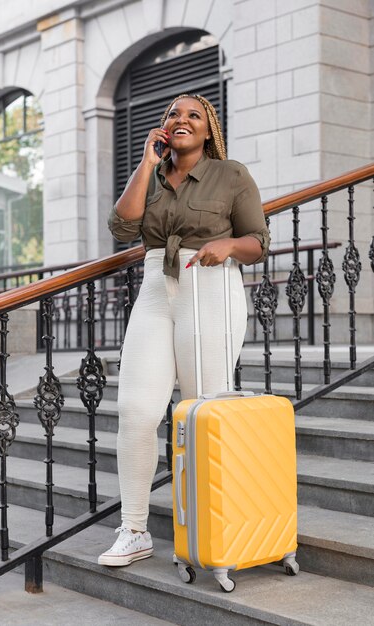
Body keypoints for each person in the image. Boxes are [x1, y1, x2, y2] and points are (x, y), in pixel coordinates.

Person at [98, 93, 269, 567]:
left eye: (194, 114)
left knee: (201, 411)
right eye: (173, 113)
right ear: (162, 126)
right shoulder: (151, 174)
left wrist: (230, 244)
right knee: (135, 410)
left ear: (209, 128)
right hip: (157, 289)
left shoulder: (230, 174)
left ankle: (209, 527)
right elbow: (122, 227)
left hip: (209, 287)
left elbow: (258, 241)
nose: (182, 120)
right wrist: (145, 161)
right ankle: (134, 529)